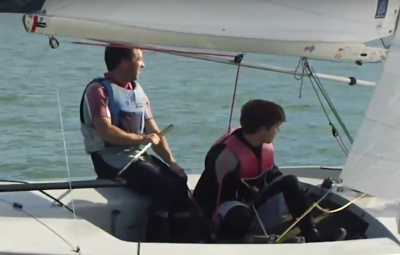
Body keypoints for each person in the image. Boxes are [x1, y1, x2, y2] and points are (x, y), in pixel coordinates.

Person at [79, 45, 190, 242]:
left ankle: (184, 241)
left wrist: (172, 163)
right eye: (139, 59)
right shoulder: (98, 91)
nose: (143, 64)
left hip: (138, 156)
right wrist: (142, 139)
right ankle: (155, 243)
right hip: (109, 159)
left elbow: (154, 132)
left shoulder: (138, 92)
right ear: (124, 62)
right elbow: (106, 131)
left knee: (179, 183)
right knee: (164, 186)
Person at [193, 99, 344, 243]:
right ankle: (237, 242)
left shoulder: (263, 147)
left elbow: (273, 176)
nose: (278, 130)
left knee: (290, 181)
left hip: (255, 199)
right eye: (276, 126)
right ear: (263, 130)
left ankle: (312, 236)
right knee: (240, 216)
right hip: (228, 207)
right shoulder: (227, 155)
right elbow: (203, 193)